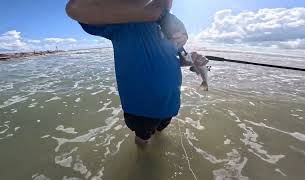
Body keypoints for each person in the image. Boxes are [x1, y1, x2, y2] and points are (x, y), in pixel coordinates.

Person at [66, 0, 208, 147]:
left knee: (160, 131)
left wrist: (192, 60)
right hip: (142, 108)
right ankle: (142, 160)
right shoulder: (122, 20)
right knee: (142, 139)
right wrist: (159, 14)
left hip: (171, 102)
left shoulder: (172, 22)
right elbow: (75, 8)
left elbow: (176, 57)